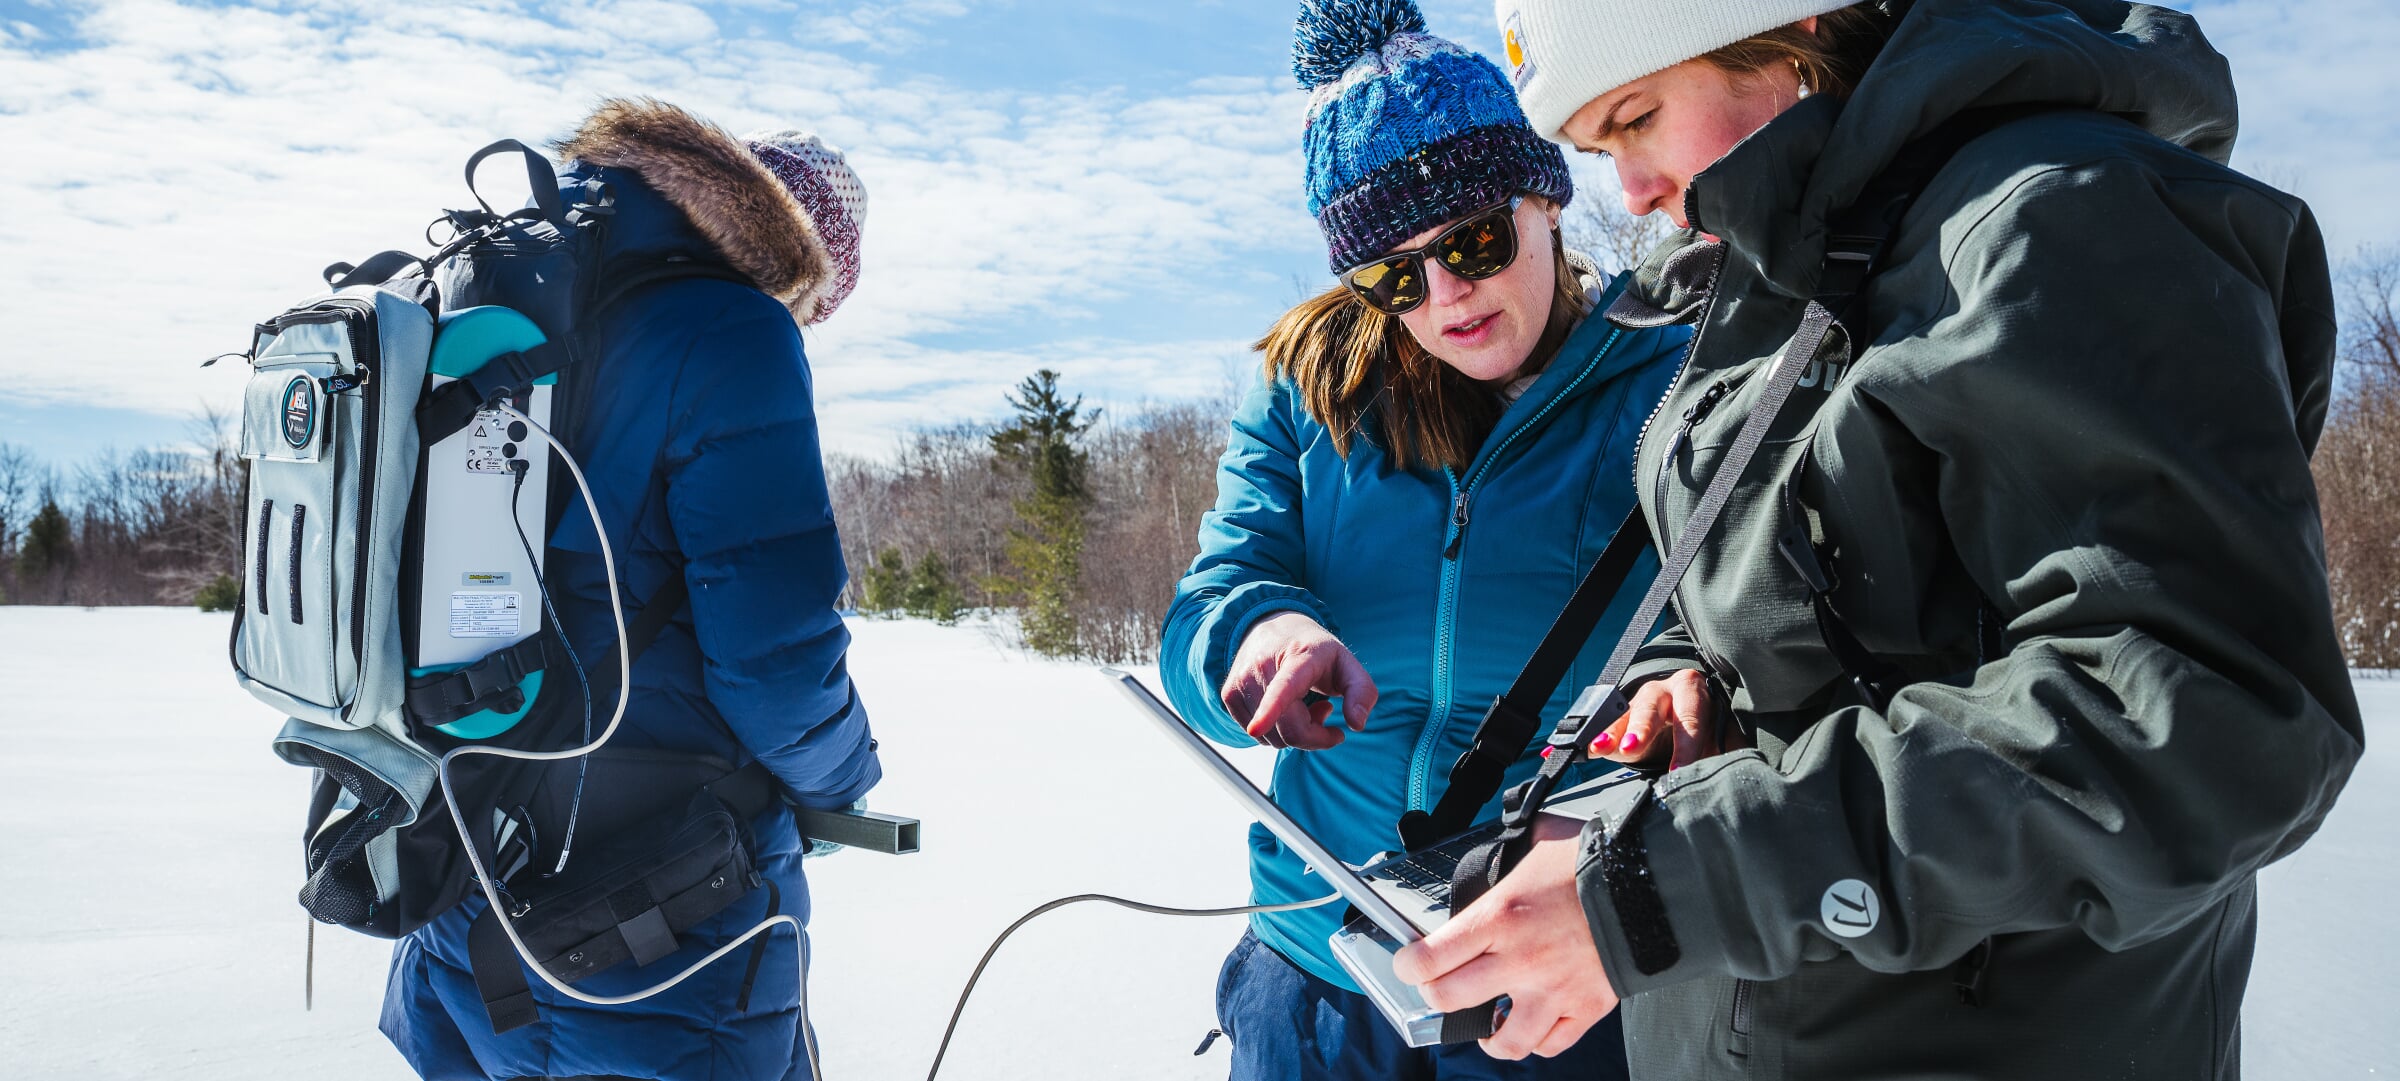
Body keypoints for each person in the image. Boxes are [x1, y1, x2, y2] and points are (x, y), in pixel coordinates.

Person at [1392, 1, 2364, 1076]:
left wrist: (1680, 884)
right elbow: (1798, 574)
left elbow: (2201, 720)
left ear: (1795, 26)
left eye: (1637, 118)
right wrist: (1686, 670)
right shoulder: (1788, 260)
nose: (1629, 191)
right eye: (1594, 150)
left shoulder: (2058, 223)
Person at [1158, 2, 1692, 1077]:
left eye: (1473, 242)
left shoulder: (1672, 383)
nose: (1445, 295)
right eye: (1396, 276)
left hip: (1545, 983)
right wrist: (1260, 632)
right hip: (1316, 970)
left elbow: (1714, 650)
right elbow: (1215, 594)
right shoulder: (1313, 390)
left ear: (1544, 196)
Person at [380, 98, 882, 1081]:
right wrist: (843, 781)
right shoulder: (732, 330)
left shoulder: (532, 308)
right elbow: (775, 657)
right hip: (645, 925)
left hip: (463, 878)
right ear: (798, 251)